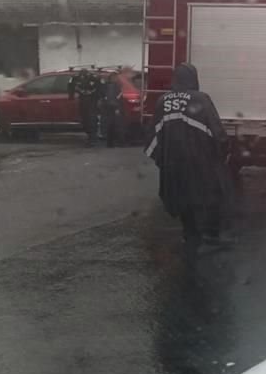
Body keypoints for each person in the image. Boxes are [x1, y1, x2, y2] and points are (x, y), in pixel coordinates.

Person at [145, 63, 234, 247]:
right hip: (199, 161)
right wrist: (223, 152)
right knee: (210, 193)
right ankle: (211, 233)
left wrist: (162, 160)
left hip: (172, 162)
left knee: (180, 195)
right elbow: (216, 131)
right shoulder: (201, 99)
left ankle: (189, 233)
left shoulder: (163, 101)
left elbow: (152, 134)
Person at [68, 68, 101, 146]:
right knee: (85, 119)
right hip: (82, 100)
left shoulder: (94, 77)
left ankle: (92, 139)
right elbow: (70, 86)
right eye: (82, 75)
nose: (83, 77)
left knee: (91, 119)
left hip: (92, 101)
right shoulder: (75, 77)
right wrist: (71, 96)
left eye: (84, 75)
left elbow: (100, 88)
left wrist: (99, 98)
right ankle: (90, 136)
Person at [100, 72, 125, 147]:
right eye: (115, 77)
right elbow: (118, 98)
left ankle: (112, 142)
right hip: (112, 108)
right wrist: (117, 108)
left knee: (112, 125)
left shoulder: (108, 86)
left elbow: (118, 97)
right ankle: (115, 142)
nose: (116, 79)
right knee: (115, 125)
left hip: (110, 107)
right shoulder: (115, 86)